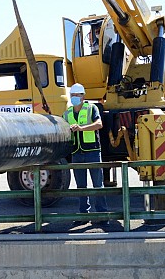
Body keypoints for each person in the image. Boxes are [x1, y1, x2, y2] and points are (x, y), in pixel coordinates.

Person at [62, 83, 109, 226]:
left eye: (78, 95)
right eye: (73, 95)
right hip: (77, 152)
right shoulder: (67, 113)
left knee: (98, 185)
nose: (75, 97)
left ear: (83, 96)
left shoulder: (91, 108)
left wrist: (81, 128)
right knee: (81, 186)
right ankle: (84, 214)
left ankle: (102, 214)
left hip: (92, 152)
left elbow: (99, 124)